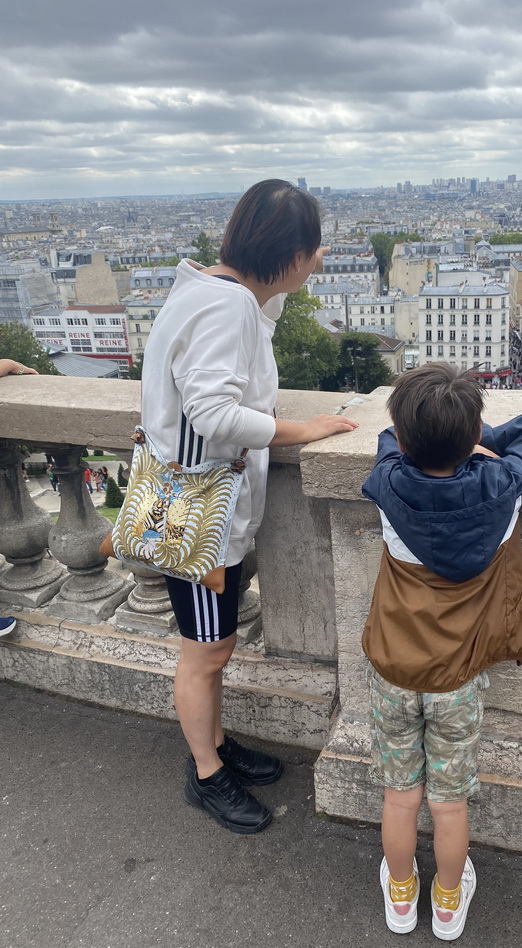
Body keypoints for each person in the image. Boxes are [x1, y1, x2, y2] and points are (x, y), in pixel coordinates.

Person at [140, 179, 358, 835]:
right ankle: (206, 773)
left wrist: (286, 279)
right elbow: (212, 413)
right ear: (285, 252)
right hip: (198, 515)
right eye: (310, 251)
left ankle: (215, 745)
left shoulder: (210, 290)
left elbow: (247, 338)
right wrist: (305, 430)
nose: (315, 262)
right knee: (205, 651)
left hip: (187, 500)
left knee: (213, 643)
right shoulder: (226, 307)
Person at [361, 363, 522, 940]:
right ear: (471, 432)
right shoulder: (504, 489)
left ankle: (401, 896)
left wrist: (443, 437)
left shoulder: (389, 481)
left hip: (393, 667)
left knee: (400, 796)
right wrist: (479, 444)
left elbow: (387, 441)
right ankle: (447, 902)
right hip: (457, 679)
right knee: (448, 803)